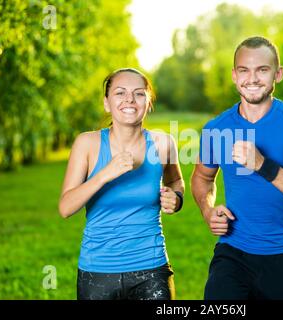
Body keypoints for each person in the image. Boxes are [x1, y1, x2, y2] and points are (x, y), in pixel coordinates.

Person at [191, 36, 283, 300]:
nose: (252, 78)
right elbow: (201, 177)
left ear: (278, 74)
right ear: (234, 75)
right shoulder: (216, 129)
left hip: (281, 256)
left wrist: (262, 164)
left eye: (262, 70)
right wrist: (208, 210)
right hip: (231, 254)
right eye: (244, 70)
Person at [59, 68, 184, 300]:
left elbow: (175, 180)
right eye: (120, 93)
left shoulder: (163, 143)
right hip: (97, 271)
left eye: (138, 93)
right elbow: (66, 207)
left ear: (148, 102)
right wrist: (104, 174)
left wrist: (176, 198)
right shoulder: (87, 144)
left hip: (152, 268)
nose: (129, 99)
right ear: (107, 103)